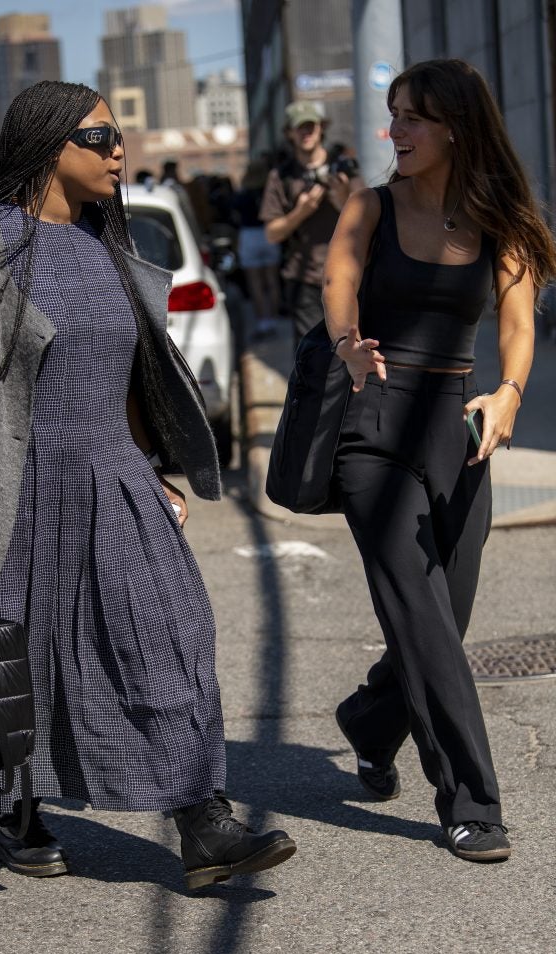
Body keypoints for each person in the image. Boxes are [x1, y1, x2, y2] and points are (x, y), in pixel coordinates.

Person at [0, 81, 296, 890]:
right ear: (49, 146)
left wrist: (152, 473)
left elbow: (123, 380)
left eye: (120, 139)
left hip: (111, 470)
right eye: (102, 138)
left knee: (174, 634)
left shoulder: (102, 243)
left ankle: (203, 820)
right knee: (16, 657)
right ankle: (17, 811)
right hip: (18, 485)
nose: (121, 153)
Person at [322, 58, 556, 862]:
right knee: (421, 617)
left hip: (459, 426)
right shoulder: (371, 206)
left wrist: (511, 394)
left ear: (457, 125)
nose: (397, 130)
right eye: (393, 114)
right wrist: (350, 345)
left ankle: (370, 717)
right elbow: (339, 280)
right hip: (374, 421)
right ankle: (471, 802)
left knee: (446, 617)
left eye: (413, 116)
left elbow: (520, 321)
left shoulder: (501, 217)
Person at [260, 101, 362, 338]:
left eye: (311, 126)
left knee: (349, 347)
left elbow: (365, 216)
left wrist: (342, 197)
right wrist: (301, 212)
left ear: (321, 128)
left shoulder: (343, 167)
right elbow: (272, 233)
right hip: (304, 279)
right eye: (300, 128)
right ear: (289, 133)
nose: (307, 133)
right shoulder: (281, 176)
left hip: (347, 274)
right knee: (313, 356)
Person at [231, 160, 282, 341]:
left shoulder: (243, 193)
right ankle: (273, 320)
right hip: (268, 233)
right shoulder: (268, 192)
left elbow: (234, 213)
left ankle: (262, 321)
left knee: (255, 283)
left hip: (249, 235)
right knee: (272, 281)